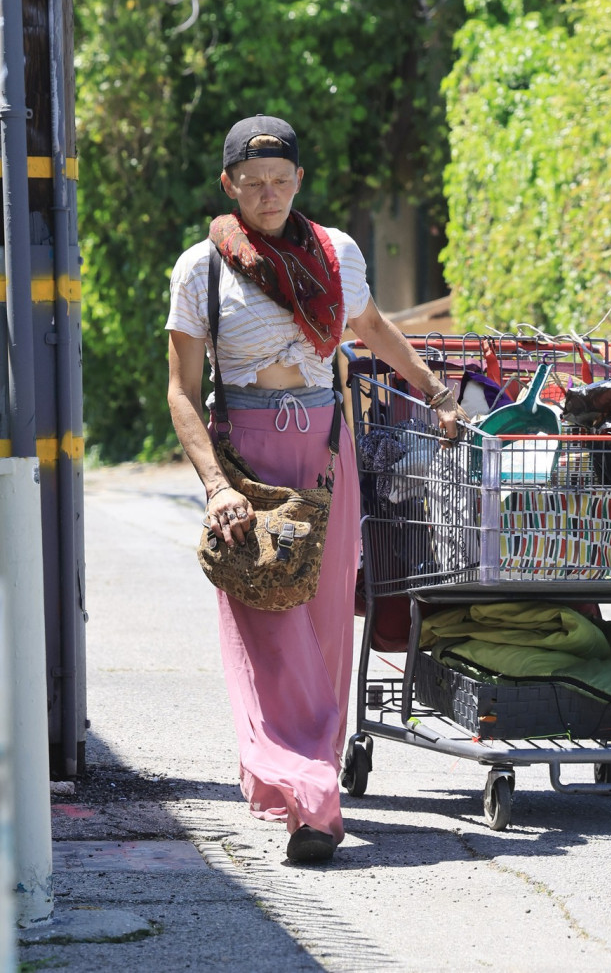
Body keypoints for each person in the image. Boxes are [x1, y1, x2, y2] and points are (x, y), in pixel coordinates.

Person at [166, 114, 462, 864]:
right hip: (251, 465)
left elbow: (371, 328)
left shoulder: (337, 254)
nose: (268, 194)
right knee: (270, 627)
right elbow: (180, 391)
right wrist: (213, 488)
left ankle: (307, 779)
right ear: (228, 185)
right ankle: (312, 801)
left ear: (299, 180)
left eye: (281, 180)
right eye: (253, 182)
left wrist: (432, 390)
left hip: (330, 453)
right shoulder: (201, 268)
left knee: (329, 627)